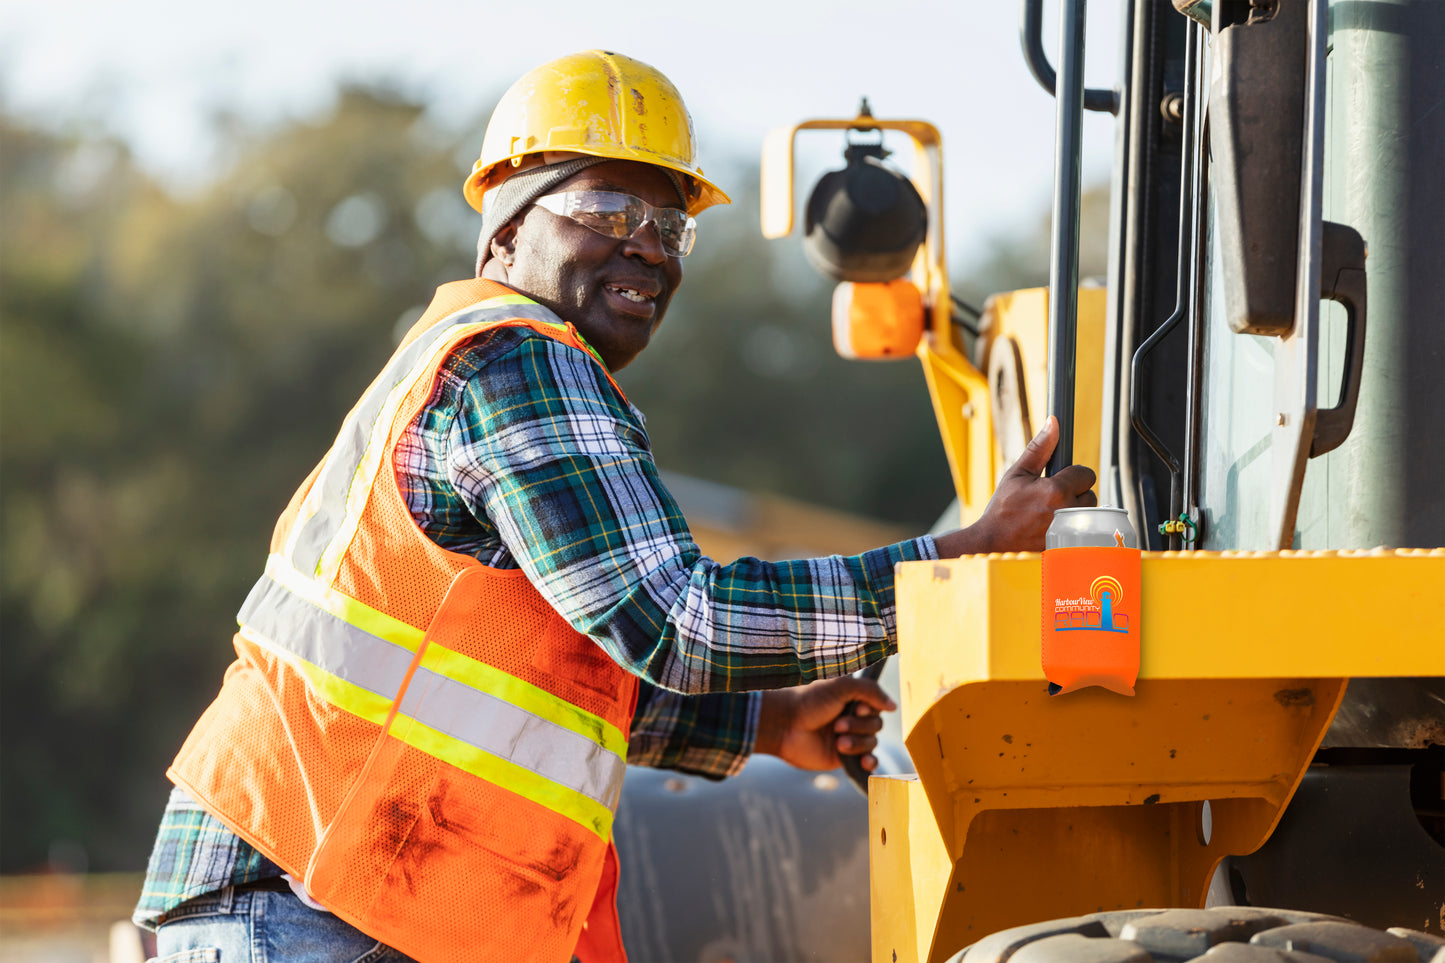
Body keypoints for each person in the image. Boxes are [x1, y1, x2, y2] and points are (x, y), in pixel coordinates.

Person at [133, 50, 1096, 963]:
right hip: (311, 906)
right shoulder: (518, 360)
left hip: (304, 899)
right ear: (507, 229)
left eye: (668, 226)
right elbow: (679, 622)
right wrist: (960, 559)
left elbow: (533, 684)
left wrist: (765, 725)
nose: (644, 245)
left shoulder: (475, 361)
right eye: (602, 207)